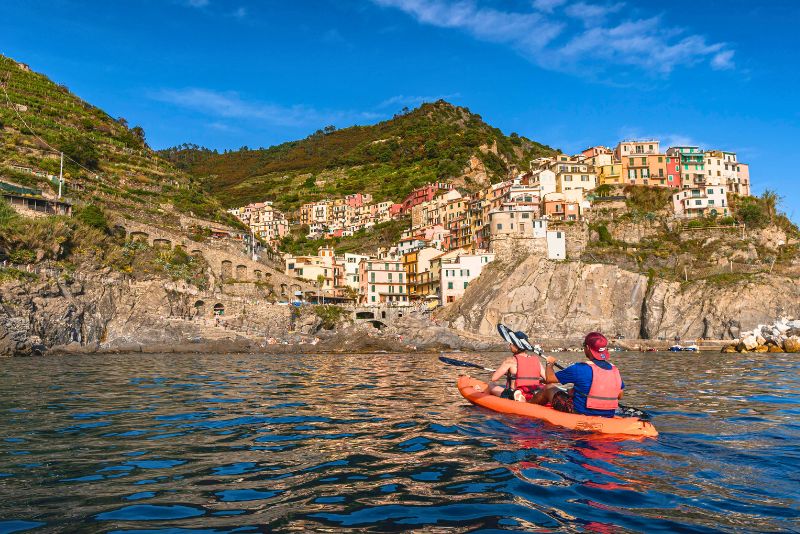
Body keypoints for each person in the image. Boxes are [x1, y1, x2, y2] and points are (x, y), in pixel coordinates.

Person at [532, 332, 624, 417]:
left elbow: (550, 379)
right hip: (608, 414)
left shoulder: (579, 368)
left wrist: (549, 364)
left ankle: (527, 405)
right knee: (572, 391)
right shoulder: (614, 370)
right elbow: (620, 395)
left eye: (584, 346)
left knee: (549, 388)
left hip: (580, 412)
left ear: (588, 348)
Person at [485, 330, 546, 402]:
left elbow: (494, 378)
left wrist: (506, 373)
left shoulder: (510, 361)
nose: (510, 345)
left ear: (516, 346)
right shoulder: (536, 360)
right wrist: (536, 380)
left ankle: (514, 395)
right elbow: (547, 379)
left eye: (511, 343)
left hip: (516, 392)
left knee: (491, 385)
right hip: (533, 394)